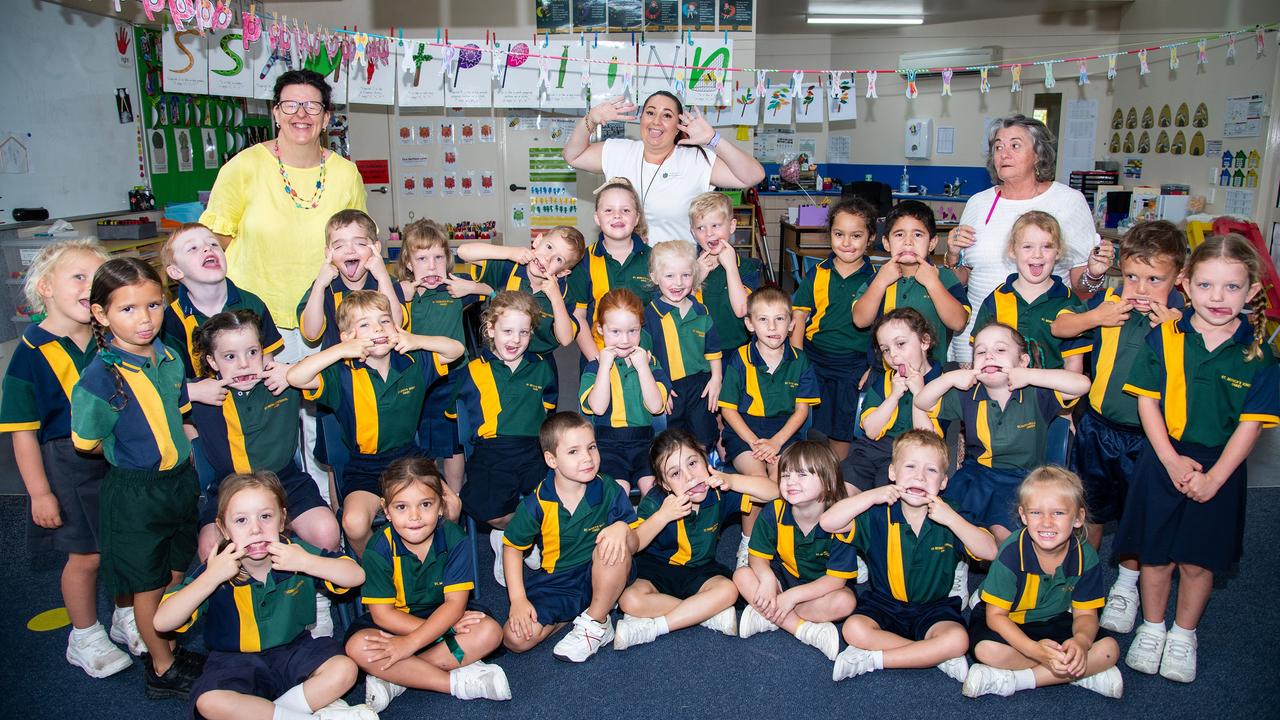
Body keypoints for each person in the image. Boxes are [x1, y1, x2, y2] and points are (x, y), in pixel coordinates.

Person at [1116, 234, 1278, 684]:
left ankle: (1184, 633)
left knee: (1198, 560)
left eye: (1232, 288)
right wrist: (1169, 460)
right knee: (1155, 554)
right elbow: (1147, 403)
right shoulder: (1164, 336)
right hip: (1163, 458)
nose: (1219, 298)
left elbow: (1251, 426)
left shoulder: (1259, 354)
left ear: (1252, 292)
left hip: (1219, 467)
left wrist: (1215, 479)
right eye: (1207, 286)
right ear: (1186, 285)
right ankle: (1151, 627)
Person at [200, 69, 367, 495]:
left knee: (319, 424)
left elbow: (356, 246)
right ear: (275, 112)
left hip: (318, 319)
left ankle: (319, 513)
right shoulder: (245, 166)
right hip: (254, 326)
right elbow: (213, 241)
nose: (301, 114)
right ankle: (263, 519)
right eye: (290, 104)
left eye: (312, 105)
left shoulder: (346, 173)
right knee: (264, 425)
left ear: (326, 118)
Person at [0, 239, 136, 676]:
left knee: (121, 545)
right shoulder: (30, 353)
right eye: (78, 276)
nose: (89, 286)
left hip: (116, 456)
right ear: (45, 287)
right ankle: (84, 634)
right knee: (86, 555)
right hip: (65, 465)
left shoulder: (110, 340)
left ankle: (123, 614)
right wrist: (39, 493)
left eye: (97, 279)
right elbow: (23, 433)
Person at [70, 258, 203, 698]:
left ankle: (166, 641)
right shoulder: (99, 377)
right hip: (135, 494)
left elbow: (180, 411)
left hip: (179, 482)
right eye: (127, 309)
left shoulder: (168, 356)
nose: (144, 319)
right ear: (101, 315)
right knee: (146, 584)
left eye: (153, 304)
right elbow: (86, 441)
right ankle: (161, 667)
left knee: (173, 572)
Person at [1049, 220, 1185, 634]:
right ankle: (1086, 582)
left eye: (1153, 279)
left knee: (1137, 517)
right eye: (1131, 277)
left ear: (1178, 277)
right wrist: (1097, 315)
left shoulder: (1184, 320)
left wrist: (1173, 330)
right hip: (1097, 427)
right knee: (1092, 512)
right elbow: (1060, 327)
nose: (1140, 289)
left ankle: (1127, 583)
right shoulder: (1111, 301)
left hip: (1150, 439)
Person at [153, 471, 376, 720]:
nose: (256, 529)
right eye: (241, 521)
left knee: (345, 669)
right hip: (234, 661)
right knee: (209, 703)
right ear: (223, 528)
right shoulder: (218, 568)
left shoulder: (296, 554)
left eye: (266, 516)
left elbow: (356, 576)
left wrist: (308, 562)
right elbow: (162, 622)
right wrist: (210, 578)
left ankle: (268, 714)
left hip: (295, 650)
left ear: (282, 520)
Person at [285, 290, 464, 557]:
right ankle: (379, 567)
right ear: (348, 337)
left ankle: (431, 562)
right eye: (365, 325)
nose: (377, 329)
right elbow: (296, 377)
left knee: (451, 506)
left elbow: (456, 349)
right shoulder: (341, 374)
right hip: (365, 465)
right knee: (354, 524)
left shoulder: (413, 363)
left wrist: (415, 340)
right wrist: (339, 350)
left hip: (409, 459)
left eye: (384, 321)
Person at [823, 430, 997, 683]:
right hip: (884, 604)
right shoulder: (877, 513)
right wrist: (872, 495)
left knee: (958, 638)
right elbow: (828, 522)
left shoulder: (951, 515)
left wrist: (951, 519)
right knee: (853, 629)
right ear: (893, 473)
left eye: (931, 471)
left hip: (933, 607)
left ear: (944, 482)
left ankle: (875, 659)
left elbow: (990, 551)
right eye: (911, 466)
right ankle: (932, 655)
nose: (919, 476)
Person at [944, 114, 1114, 364]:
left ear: (1038, 154)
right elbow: (961, 278)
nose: (1003, 153)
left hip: (1042, 344)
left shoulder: (1068, 201)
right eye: (998, 147)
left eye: (1015, 145)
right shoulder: (977, 204)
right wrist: (952, 256)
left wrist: (1095, 274)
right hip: (979, 343)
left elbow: (1080, 285)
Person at [345, 457, 510, 708]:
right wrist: (438, 633)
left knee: (490, 632)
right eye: (401, 507)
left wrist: (411, 644)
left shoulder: (455, 538)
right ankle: (455, 684)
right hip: (402, 623)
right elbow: (382, 616)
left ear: (441, 506)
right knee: (358, 647)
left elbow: (454, 606)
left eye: (425, 504)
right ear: (386, 510)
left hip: (445, 616)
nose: (414, 516)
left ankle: (396, 678)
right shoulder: (378, 549)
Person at [914, 323, 1090, 542]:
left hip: (1025, 479)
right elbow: (921, 401)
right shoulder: (968, 394)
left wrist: (1030, 375)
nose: (989, 356)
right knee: (941, 520)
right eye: (980, 351)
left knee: (1003, 535)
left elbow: (1082, 384)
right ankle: (959, 561)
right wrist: (949, 378)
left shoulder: (1036, 393)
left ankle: (1006, 568)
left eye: (1000, 350)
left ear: (1023, 360)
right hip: (979, 475)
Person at [187, 311, 339, 558]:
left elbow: (335, 366)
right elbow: (146, 398)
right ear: (212, 362)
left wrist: (291, 372)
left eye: (252, 352)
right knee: (210, 551)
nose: (244, 364)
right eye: (229, 356)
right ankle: (241, 597)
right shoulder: (205, 393)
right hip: (230, 485)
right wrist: (190, 391)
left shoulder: (280, 382)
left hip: (284, 479)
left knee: (327, 532)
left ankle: (312, 590)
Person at [963, 467, 1123, 699]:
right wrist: (1037, 652)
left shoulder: (1085, 557)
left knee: (1110, 650)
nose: (1047, 522)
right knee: (986, 650)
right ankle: (1078, 673)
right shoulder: (1011, 553)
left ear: (1078, 518)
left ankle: (1017, 681)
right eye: (1037, 513)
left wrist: (1081, 641)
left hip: (1053, 620)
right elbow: (996, 617)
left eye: (1058, 513)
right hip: (1009, 621)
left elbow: (1086, 616)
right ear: (1024, 516)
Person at [613, 428, 778, 649]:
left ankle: (657, 626)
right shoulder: (655, 501)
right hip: (658, 568)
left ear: (704, 458)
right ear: (664, 485)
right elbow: (636, 542)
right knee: (629, 599)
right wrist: (663, 516)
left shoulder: (718, 491)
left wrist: (730, 478)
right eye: (675, 474)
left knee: (728, 590)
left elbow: (774, 492)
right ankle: (704, 613)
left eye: (693, 463)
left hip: (700, 569)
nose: (690, 477)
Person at [501, 413, 638, 662]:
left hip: (602, 570)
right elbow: (511, 547)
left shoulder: (608, 489)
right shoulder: (538, 502)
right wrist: (518, 600)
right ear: (551, 460)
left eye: (592, 447)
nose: (587, 458)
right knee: (515, 638)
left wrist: (621, 527)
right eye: (573, 451)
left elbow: (634, 538)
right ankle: (589, 612)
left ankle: (595, 622)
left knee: (611, 544)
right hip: (558, 580)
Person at [447, 291, 557, 585]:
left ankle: (519, 539)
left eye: (523, 332)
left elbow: (547, 411)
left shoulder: (541, 368)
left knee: (552, 501)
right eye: (507, 331)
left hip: (533, 449)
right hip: (491, 450)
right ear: (491, 329)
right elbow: (456, 419)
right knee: (491, 510)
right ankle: (513, 536)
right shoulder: (473, 370)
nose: (515, 339)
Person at [562, 91, 765, 243]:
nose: (656, 121)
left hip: (676, 276)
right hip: (622, 267)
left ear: (679, 125)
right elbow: (573, 156)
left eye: (667, 115)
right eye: (650, 113)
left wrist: (714, 139)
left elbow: (752, 176)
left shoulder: (694, 160)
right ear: (641, 119)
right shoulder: (619, 151)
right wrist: (590, 119)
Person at [719, 286, 821, 565]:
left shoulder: (800, 361)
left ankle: (780, 538)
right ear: (750, 324)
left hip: (784, 433)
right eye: (763, 319)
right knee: (757, 482)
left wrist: (776, 442)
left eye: (780, 319)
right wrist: (754, 442)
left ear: (791, 324)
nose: (772, 327)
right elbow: (728, 410)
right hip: (745, 432)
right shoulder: (739, 358)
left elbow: (801, 411)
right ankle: (748, 542)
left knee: (783, 481)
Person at [733, 441, 858, 661]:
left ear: (828, 482)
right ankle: (803, 629)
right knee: (741, 575)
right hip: (783, 578)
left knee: (845, 602)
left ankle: (768, 615)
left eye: (802, 475)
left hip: (818, 590)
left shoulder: (838, 520)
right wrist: (767, 578)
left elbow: (835, 581)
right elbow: (757, 556)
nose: (791, 482)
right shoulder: (775, 510)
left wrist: (792, 597)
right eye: (786, 475)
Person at [791, 197, 878, 463]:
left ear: (870, 238)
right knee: (804, 419)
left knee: (842, 427)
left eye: (856, 235)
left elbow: (881, 328)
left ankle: (835, 477)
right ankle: (807, 470)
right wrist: (794, 361)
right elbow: (799, 318)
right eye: (839, 234)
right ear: (829, 234)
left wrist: (874, 364)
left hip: (853, 362)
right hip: (814, 357)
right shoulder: (817, 273)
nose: (846, 242)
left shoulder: (877, 280)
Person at [160, 222, 287, 394]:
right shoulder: (171, 320)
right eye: (193, 248)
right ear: (175, 272)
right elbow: (174, 379)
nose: (207, 249)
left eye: (213, 244)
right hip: (206, 410)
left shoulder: (252, 303)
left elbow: (266, 361)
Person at [396, 219, 473, 495]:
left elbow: (495, 290)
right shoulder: (401, 294)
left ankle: (454, 498)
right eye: (422, 258)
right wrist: (399, 294)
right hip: (415, 378)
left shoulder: (455, 289)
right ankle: (426, 496)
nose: (431, 266)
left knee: (452, 443)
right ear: (408, 262)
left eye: (439, 257)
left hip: (452, 378)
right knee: (418, 445)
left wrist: (473, 288)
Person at [458, 227, 585, 382]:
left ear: (563, 272)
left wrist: (556, 298)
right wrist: (510, 253)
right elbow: (464, 251)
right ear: (537, 241)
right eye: (549, 247)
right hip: (496, 357)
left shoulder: (563, 294)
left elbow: (566, 339)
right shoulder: (510, 267)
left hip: (538, 366)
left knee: (537, 406)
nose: (547, 258)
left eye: (559, 259)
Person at [969, 211, 1089, 371]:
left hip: (1052, 394)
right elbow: (980, 356)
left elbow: (1073, 367)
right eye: (1027, 247)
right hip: (1004, 393)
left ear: (1058, 251)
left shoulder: (1069, 303)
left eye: (1047, 246)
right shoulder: (997, 299)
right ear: (1012, 250)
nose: (1037, 255)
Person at [853, 200, 969, 366]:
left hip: (931, 376)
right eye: (899, 234)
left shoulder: (944, 277)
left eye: (918, 235)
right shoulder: (879, 278)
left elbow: (958, 323)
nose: (908, 242)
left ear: (932, 243)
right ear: (886, 242)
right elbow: (860, 320)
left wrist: (932, 283)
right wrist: (880, 282)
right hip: (886, 373)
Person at [579, 289, 669, 495]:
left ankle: (651, 526)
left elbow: (656, 407)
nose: (625, 340)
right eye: (616, 332)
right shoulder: (594, 368)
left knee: (654, 491)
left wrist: (643, 367)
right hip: (607, 446)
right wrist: (604, 366)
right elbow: (599, 408)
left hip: (646, 443)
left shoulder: (650, 364)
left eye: (632, 331)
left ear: (640, 329)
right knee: (620, 491)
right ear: (601, 329)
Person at [844, 308, 944, 492]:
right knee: (844, 491)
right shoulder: (884, 380)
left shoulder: (942, 384)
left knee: (888, 495)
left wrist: (919, 395)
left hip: (911, 457)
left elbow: (930, 443)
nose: (894, 355)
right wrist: (894, 396)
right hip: (870, 450)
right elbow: (871, 432)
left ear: (925, 341)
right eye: (886, 350)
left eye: (900, 344)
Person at [643, 240, 722, 453]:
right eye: (669, 276)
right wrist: (659, 387)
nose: (678, 283)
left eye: (686, 275)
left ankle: (706, 471)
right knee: (671, 441)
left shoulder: (701, 311)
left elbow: (713, 349)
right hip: (668, 386)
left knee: (703, 435)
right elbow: (645, 357)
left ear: (694, 276)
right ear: (654, 277)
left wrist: (716, 378)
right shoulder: (649, 316)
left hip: (700, 386)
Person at [569, 178, 653, 363]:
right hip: (598, 356)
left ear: (637, 217)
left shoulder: (655, 259)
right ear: (597, 217)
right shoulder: (583, 261)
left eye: (625, 210)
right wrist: (598, 361)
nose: (617, 216)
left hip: (645, 360)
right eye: (609, 210)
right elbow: (579, 318)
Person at [298, 209, 404, 349]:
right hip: (338, 368)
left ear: (376, 248)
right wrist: (319, 286)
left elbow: (396, 324)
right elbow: (311, 333)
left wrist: (383, 277)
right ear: (328, 253)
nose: (350, 250)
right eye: (339, 245)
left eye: (360, 243)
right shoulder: (323, 287)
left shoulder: (387, 283)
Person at [689, 191, 760, 355]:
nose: (709, 233)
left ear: (732, 226)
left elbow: (742, 310)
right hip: (698, 350)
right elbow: (680, 311)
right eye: (701, 228)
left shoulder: (748, 267)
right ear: (693, 232)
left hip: (736, 350)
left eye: (716, 225)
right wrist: (695, 280)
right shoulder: (688, 265)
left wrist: (731, 268)